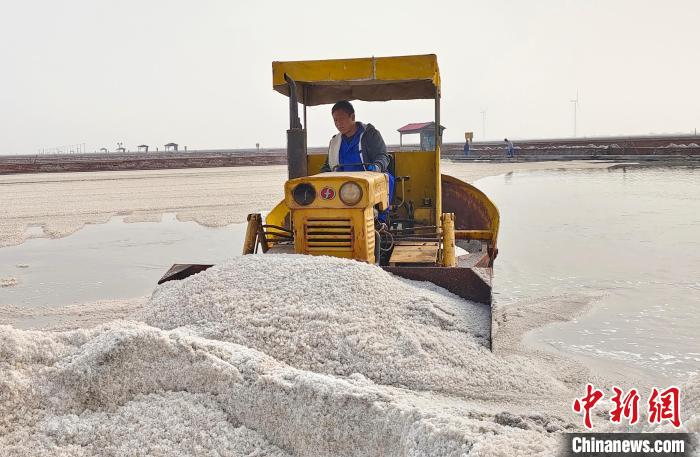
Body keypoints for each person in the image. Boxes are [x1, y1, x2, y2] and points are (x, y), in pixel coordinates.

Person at [320, 100, 394, 221]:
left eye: (342, 119)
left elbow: (383, 156)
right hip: (343, 185)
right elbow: (328, 166)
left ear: (352, 116)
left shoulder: (370, 134)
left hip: (369, 180)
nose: (338, 123)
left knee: (387, 179)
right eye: (335, 120)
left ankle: (381, 221)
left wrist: (376, 167)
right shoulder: (334, 142)